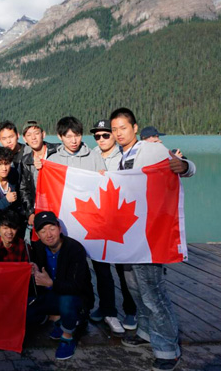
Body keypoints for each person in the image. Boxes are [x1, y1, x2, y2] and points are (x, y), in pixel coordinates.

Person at [111, 108, 196, 371]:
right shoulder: (116, 158)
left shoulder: (152, 150)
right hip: (126, 237)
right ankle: (146, 332)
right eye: (114, 129)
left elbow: (185, 167)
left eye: (122, 128)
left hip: (150, 236)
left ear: (135, 128)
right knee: (135, 288)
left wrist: (185, 165)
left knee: (153, 292)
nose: (118, 133)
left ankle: (168, 349)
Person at [88, 119, 136, 333]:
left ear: (115, 135)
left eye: (105, 135)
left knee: (124, 270)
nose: (101, 139)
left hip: (121, 223)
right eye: (97, 136)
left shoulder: (125, 158)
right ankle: (107, 308)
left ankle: (131, 310)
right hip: (98, 223)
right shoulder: (90, 155)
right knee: (101, 269)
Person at [28, 212, 94, 361]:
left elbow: (76, 286)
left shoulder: (75, 249)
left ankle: (68, 336)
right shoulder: (38, 248)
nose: (48, 234)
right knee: (26, 311)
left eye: (52, 228)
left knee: (67, 300)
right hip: (52, 296)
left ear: (59, 229)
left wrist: (51, 283)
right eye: (43, 231)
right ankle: (59, 319)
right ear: (37, 235)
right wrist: (34, 269)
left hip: (76, 298)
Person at [20, 120, 59, 228]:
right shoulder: (25, 161)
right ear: (25, 139)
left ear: (43, 134)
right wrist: (30, 212)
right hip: (40, 207)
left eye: (36, 133)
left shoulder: (58, 150)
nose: (33, 138)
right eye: (29, 135)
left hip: (59, 204)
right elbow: (24, 189)